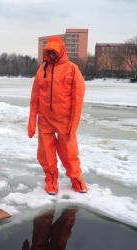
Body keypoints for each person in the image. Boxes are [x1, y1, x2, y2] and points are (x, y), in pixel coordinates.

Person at [28, 35, 87, 195]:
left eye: (54, 52)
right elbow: (35, 97)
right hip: (45, 120)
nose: (52, 55)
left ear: (61, 51)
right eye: (49, 52)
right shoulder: (42, 69)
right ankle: (51, 179)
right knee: (46, 154)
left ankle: (76, 178)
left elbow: (78, 98)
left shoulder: (72, 69)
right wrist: (32, 121)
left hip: (64, 121)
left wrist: (73, 125)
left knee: (69, 152)